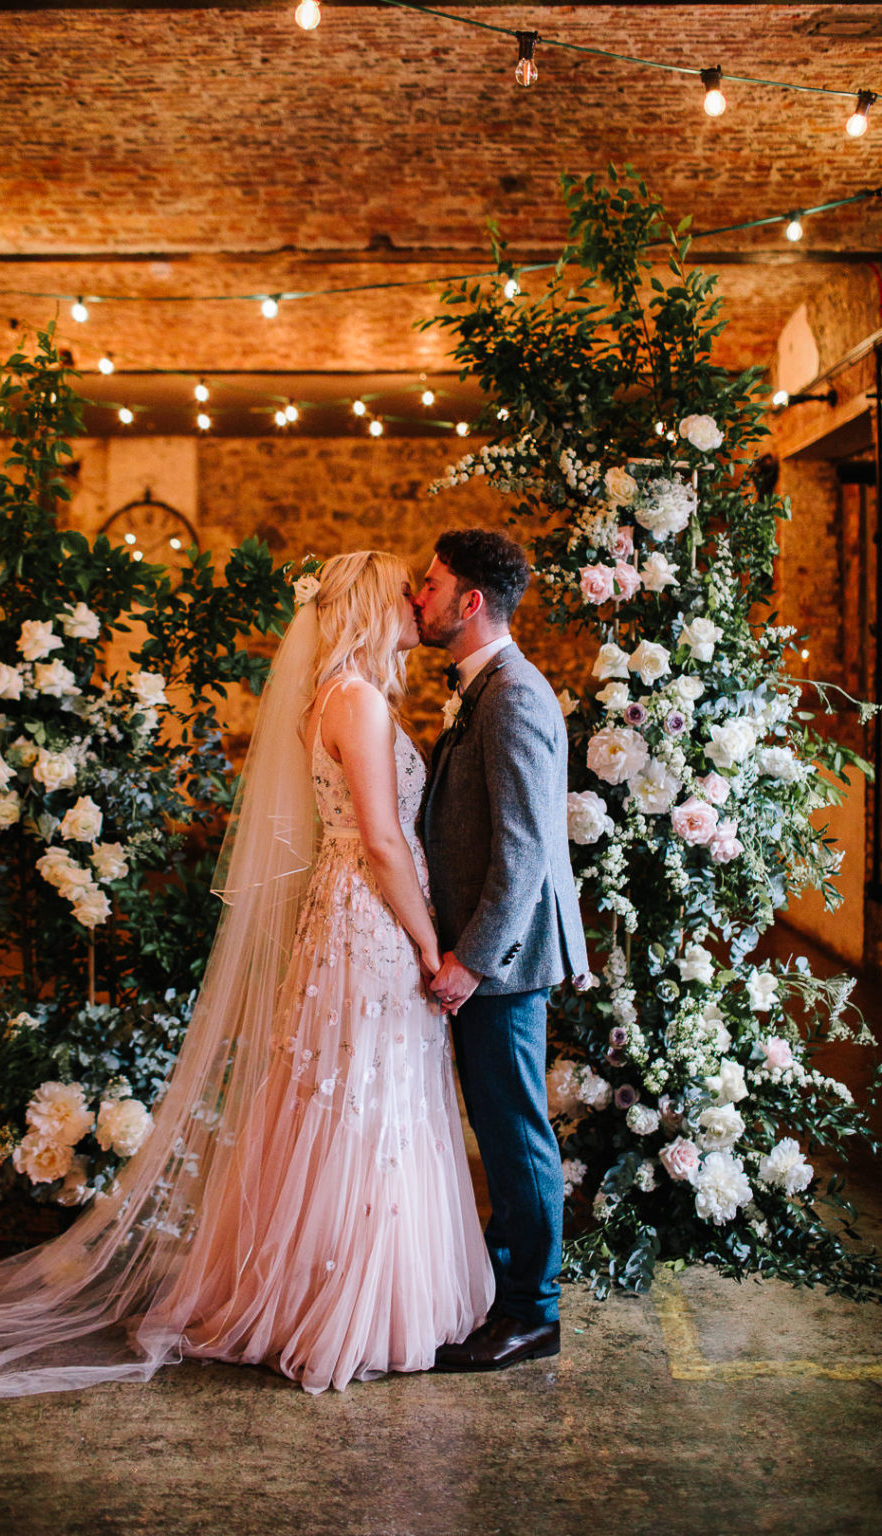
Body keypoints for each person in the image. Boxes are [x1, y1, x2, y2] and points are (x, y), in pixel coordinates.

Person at [0, 551, 492, 1401]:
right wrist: (425, 943)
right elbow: (380, 839)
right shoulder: (365, 702)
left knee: (340, 1091)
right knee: (367, 1093)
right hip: (373, 916)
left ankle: (320, 1288)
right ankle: (354, 1305)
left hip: (338, 910)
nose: (420, 605)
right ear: (374, 609)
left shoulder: (327, 699)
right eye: (405, 596)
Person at [414, 528, 588, 1372]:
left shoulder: (514, 696)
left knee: (516, 1132)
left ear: (470, 601)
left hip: (504, 962)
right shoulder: (489, 690)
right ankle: (512, 1290)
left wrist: (470, 961)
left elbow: (521, 851)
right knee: (499, 1120)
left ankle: (532, 1312)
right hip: (491, 956)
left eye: (431, 582)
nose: (421, 596)